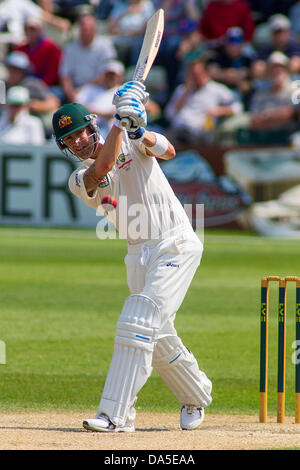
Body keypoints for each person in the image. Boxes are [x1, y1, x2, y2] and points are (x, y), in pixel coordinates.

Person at [51, 80, 212, 432]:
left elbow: (168, 152)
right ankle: (197, 393)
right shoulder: (79, 179)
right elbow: (104, 167)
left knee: (137, 322)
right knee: (157, 337)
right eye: (69, 140)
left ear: (91, 125)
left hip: (175, 242)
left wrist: (137, 128)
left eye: (80, 132)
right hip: (137, 254)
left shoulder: (134, 138)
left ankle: (115, 415)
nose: (77, 141)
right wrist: (120, 123)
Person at [164, 57, 242, 145]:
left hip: (199, 134)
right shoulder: (181, 90)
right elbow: (169, 115)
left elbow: (237, 107)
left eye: (197, 74)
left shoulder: (216, 89)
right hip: (177, 132)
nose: (195, 78)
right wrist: (186, 93)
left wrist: (218, 111)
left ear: (205, 73)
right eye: (192, 75)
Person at [59, 14, 117, 103]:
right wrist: (70, 94)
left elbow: (106, 74)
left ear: (95, 30)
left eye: (89, 29)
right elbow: (65, 76)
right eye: (84, 29)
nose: (86, 32)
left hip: (99, 88)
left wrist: (82, 90)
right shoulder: (70, 48)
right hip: (74, 89)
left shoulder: (105, 46)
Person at [13, 16, 63, 87]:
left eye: (32, 29)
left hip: (49, 87)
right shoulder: (20, 48)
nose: (29, 31)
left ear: (40, 30)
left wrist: (42, 85)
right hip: (24, 85)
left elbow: (54, 71)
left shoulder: (51, 47)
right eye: (26, 28)